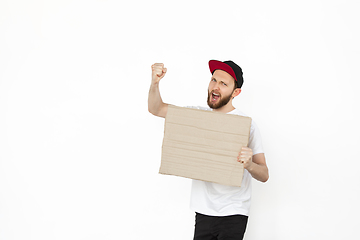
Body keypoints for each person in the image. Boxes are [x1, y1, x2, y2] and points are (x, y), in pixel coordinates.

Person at [148, 60, 269, 240]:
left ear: (236, 92)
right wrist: (155, 83)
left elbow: (264, 174)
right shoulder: (197, 116)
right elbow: (156, 109)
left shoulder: (246, 125)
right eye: (213, 80)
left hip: (233, 212)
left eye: (223, 83)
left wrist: (249, 165)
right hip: (203, 211)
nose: (215, 87)